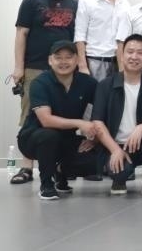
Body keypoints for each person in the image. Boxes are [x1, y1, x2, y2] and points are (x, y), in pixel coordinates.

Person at [10, 0, 79, 185]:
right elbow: (21, 34)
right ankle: (26, 166)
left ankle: (58, 166)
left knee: (61, 115)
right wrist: (18, 67)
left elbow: (78, 38)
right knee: (29, 115)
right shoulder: (31, 2)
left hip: (66, 69)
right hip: (35, 67)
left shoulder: (75, 3)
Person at [89, 33, 142, 197]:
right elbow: (97, 122)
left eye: (140, 53)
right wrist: (115, 149)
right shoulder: (105, 85)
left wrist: (141, 127)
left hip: (141, 144)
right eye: (130, 52)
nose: (134, 57)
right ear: (121, 55)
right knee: (121, 173)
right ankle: (118, 179)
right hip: (114, 145)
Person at [15, 39, 98, 201]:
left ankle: (60, 171)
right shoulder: (40, 83)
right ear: (50, 60)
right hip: (33, 138)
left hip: (66, 139)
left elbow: (102, 111)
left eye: (68, 57)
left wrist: (95, 139)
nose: (63, 62)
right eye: (58, 57)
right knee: (49, 135)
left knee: (97, 159)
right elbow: (46, 120)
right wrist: (80, 123)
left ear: (77, 59)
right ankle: (46, 184)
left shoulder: (88, 83)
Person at [73, 0, 128, 80]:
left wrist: (122, 66)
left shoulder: (125, 5)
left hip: (118, 62)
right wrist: (82, 65)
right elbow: (79, 35)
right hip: (94, 61)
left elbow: (124, 38)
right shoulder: (87, 2)